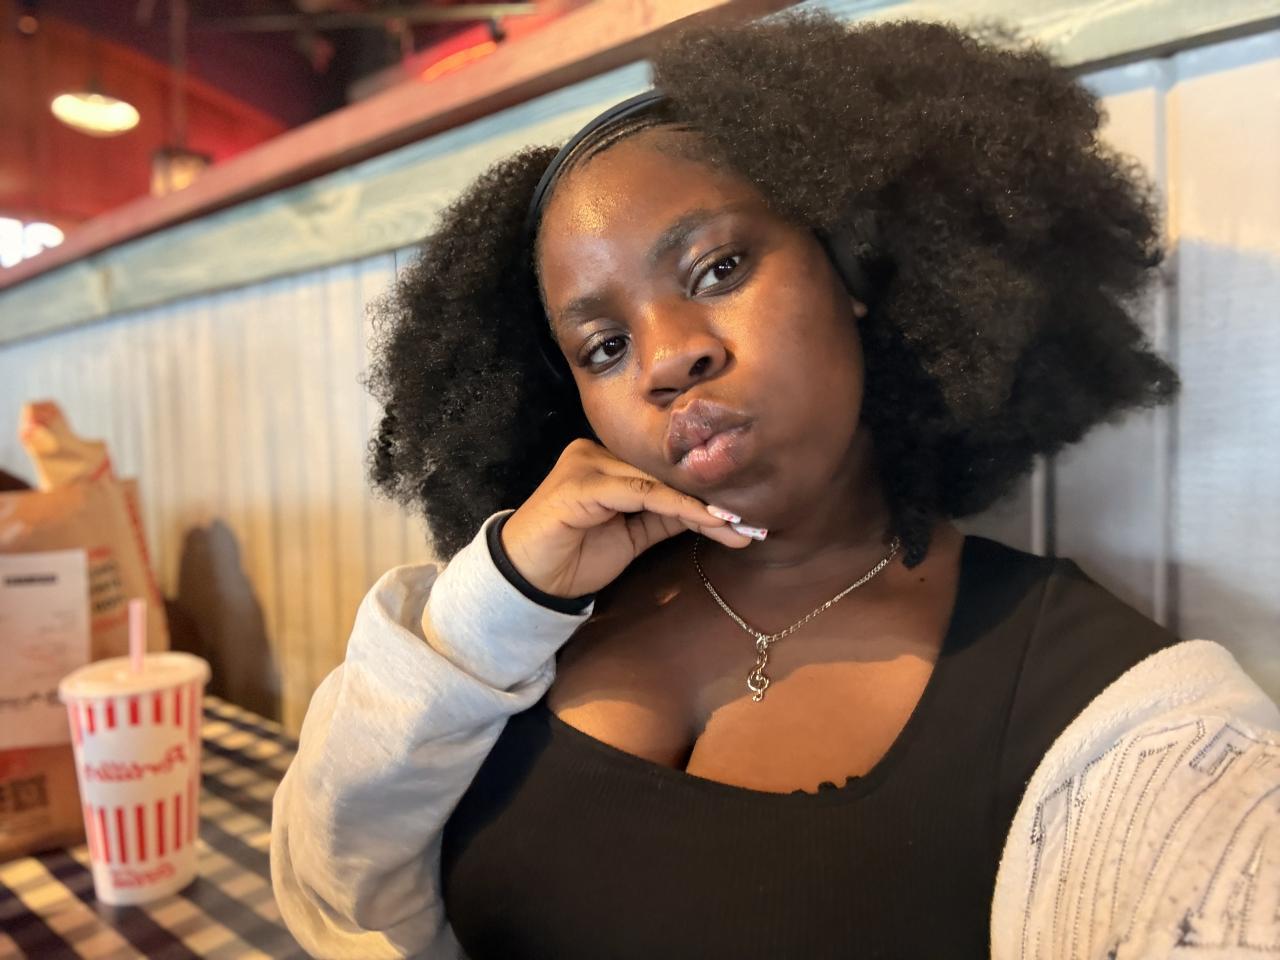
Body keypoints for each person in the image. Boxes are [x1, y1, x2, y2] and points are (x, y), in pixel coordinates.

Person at [271, 13, 1280, 959]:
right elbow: (332, 889)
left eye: (716, 270)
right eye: (604, 346)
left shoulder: (1103, 707)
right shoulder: (530, 620)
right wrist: (498, 600)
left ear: (852, 266)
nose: (666, 360)